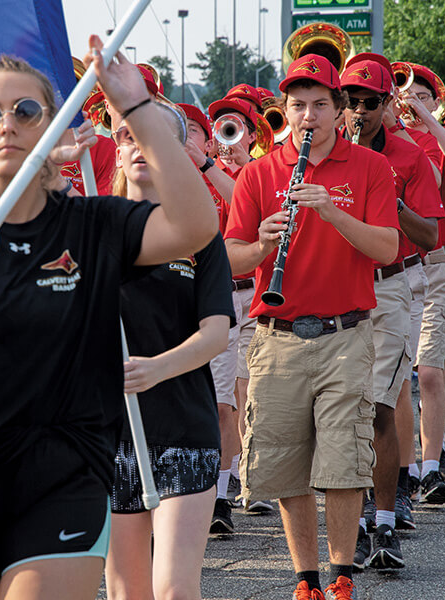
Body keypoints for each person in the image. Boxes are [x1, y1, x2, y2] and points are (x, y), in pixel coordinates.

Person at [0, 39, 218, 600]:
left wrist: (137, 108)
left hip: (65, 475)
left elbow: (196, 226)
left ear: (52, 129)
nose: (7, 125)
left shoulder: (94, 224)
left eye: (26, 111)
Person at [224, 54, 399, 600]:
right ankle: (307, 580)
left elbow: (387, 248)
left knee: (345, 460)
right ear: (285, 110)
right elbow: (230, 257)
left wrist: (332, 213)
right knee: (283, 463)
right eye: (298, 105)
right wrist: (262, 245)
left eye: (320, 104)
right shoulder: (258, 173)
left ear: (339, 108)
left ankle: (342, 575)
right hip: (277, 336)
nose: (308, 116)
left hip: (346, 334)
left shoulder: (370, 167)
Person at [105, 100, 234, 600]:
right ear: (117, 150)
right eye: (128, 135)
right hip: (110, 434)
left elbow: (215, 334)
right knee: (127, 592)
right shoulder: (92, 231)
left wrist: (155, 369)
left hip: (184, 428)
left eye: (151, 134)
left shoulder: (201, 236)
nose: (139, 144)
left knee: (175, 589)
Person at [341, 57, 442, 571]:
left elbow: (430, 235)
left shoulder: (408, 156)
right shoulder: (323, 154)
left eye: (370, 102)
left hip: (389, 287)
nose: (360, 111)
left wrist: (390, 196)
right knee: (344, 412)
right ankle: (354, 521)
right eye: (351, 102)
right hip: (336, 290)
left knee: (379, 405)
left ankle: (383, 522)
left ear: (386, 105)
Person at [399, 62, 445, 500]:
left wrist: (424, 120)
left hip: (437, 261)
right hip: (395, 265)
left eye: (422, 96)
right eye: (404, 95)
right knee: (396, 377)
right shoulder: (384, 142)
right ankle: (406, 465)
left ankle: (430, 467)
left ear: (436, 102)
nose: (411, 102)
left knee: (428, 369)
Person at [207, 95, 278, 522]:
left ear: (253, 136)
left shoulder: (260, 173)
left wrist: (225, 167)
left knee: (252, 392)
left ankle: (253, 478)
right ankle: (222, 490)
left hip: (254, 293)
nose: (228, 136)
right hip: (216, 295)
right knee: (221, 401)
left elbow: (252, 211)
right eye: (221, 127)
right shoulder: (201, 173)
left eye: (235, 127)